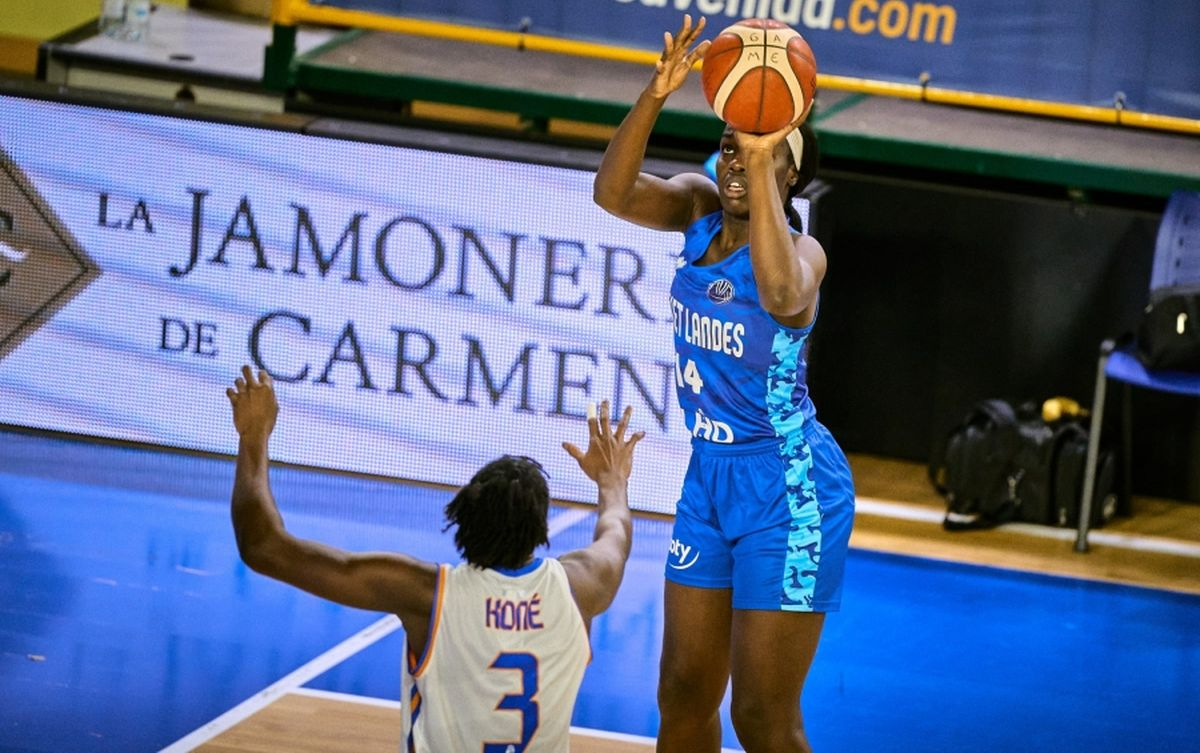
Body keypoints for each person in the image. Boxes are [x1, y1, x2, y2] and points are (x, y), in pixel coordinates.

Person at [592, 15, 855, 753]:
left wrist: (769, 152)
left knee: (763, 719)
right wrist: (654, 95)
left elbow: (778, 293)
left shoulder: (805, 253)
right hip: (711, 476)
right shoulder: (698, 211)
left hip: (790, 488)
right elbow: (612, 193)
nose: (737, 164)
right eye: (730, 149)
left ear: (789, 169)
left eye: (759, 154)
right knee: (681, 693)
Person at [225, 365, 644, 751]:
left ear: (463, 518)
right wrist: (612, 479)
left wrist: (254, 437)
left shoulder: (426, 595)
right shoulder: (581, 587)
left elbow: (263, 547)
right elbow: (616, 529)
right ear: (539, 532)